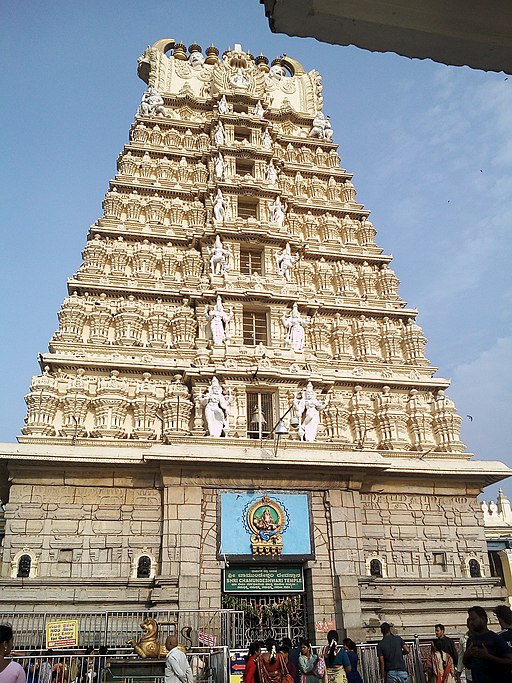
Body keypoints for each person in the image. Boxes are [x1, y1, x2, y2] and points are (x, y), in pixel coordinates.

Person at [463, 606, 512, 683]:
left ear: (483, 619)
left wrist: (488, 657)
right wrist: (466, 656)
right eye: (470, 620)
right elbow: (468, 665)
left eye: (473, 619)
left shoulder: (495, 638)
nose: (471, 622)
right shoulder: (471, 641)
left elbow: (509, 661)